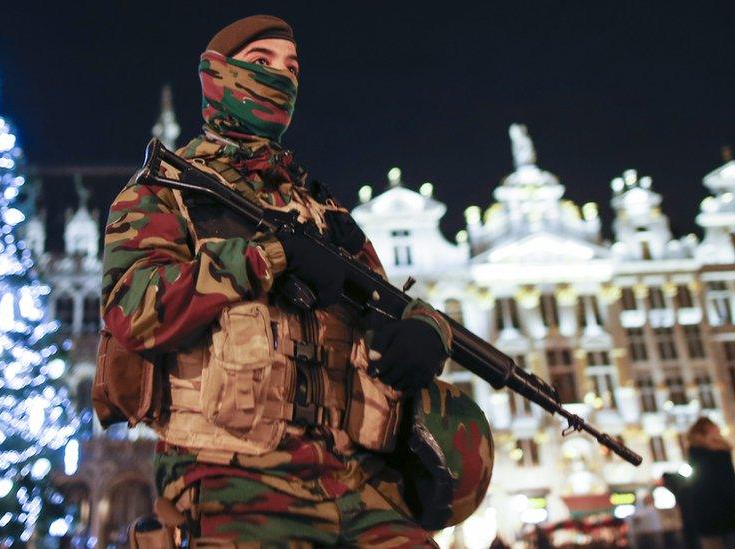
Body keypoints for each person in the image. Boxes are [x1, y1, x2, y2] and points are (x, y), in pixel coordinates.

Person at [99, 14, 493, 547]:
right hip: (229, 474)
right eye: (261, 63)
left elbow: (385, 297)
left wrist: (427, 328)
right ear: (217, 76)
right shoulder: (166, 190)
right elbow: (131, 310)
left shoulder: (319, 205)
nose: (280, 79)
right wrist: (269, 257)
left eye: (292, 68)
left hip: (355, 476)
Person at [686, 417, 735, 549]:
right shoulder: (720, 452)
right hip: (724, 514)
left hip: (707, 517)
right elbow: (727, 483)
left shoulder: (695, 452)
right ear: (708, 430)